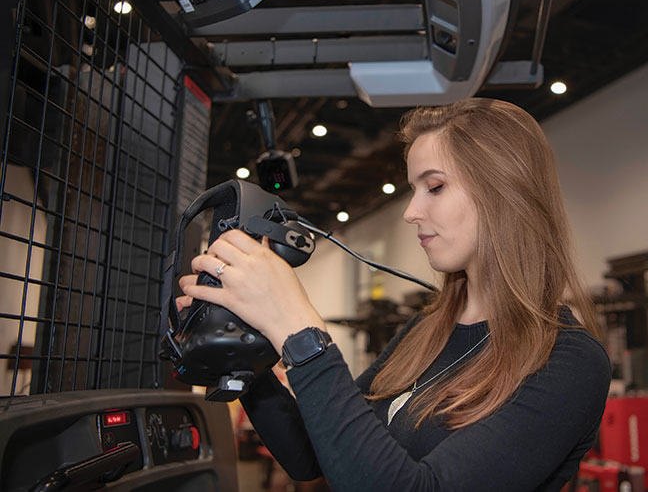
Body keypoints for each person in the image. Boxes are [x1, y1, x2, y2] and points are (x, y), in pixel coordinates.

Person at [178, 97, 611, 491]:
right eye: (412, 189)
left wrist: (298, 327)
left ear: (505, 190)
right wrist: (241, 349)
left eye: (435, 187)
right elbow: (315, 455)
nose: (410, 212)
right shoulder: (427, 328)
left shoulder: (568, 360)